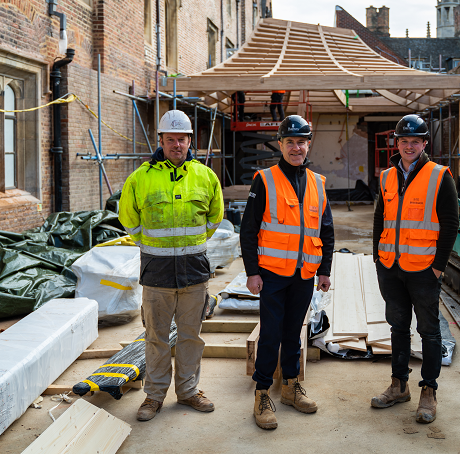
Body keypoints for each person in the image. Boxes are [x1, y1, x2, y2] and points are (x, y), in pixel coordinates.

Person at [118, 109, 224, 422]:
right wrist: (149, 244)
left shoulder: (205, 176)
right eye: (171, 139)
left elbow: (215, 216)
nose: (177, 144)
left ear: (191, 141)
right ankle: (154, 396)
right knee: (156, 337)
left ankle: (189, 391)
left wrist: (192, 244)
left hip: (194, 271)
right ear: (161, 140)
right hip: (156, 272)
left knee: (191, 336)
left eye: (182, 139)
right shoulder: (141, 177)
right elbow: (128, 217)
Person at [239, 114, 334, 430]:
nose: (296, 148)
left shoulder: (318, 184)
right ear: (280, 144)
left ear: (309, 144)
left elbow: (327, 230)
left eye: (301, 141)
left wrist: (324, 270)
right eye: (290, 142)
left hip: (304, 274)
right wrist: (252, 272)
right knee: (270, 334)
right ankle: (263, 392)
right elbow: (249, 229)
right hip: (273, 274)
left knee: (295, 332)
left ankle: (291, 387)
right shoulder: (264, 180)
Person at [370, 114, 458, 424]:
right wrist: (376, 258)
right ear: (397, 143)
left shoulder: (439, 175)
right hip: (391, 267)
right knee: (397, 327)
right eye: (404, 141)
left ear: (424, 144)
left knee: (429, 332)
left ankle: (428, 391)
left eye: (415, 141)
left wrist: (438, 267)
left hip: (423, 269)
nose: (409, 146)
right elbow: (380, 218)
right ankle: (399, 385)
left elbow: (450, 224)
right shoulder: (387, 177)